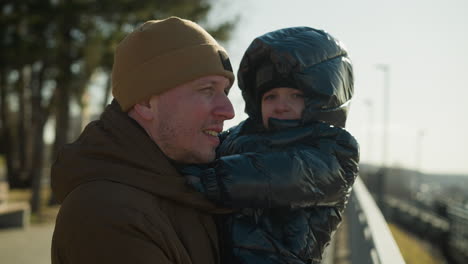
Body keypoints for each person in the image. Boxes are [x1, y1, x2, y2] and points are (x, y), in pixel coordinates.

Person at [50, 17, 236, 264]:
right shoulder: (106, 213)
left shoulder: (186, 188)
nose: (229, 110)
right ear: (146, 102)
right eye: (207, 90)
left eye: (225, 91)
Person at [180, 27, 359, 264]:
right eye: (270, 96)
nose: (280, 105)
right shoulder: (240, 136)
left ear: (323, 99)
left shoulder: (335, 152)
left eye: (295, 95)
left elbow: (288, 175)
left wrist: (212, 179)